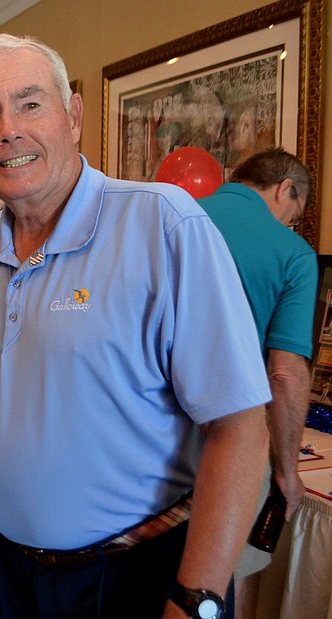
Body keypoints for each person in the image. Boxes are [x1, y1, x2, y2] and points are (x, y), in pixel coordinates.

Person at [0, 34, 271, 619]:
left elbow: (241, 430)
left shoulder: (165, 226)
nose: (9, 129)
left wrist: (196, 601)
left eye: (30, 104)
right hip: (2, 577)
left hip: (134, 576)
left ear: (73, 116)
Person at [198, 148, 317, 617]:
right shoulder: (292, 254)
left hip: (136, 434)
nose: (290, 222)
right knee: (228, 574)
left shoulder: (170, 215)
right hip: (230, 441)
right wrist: (287, 473)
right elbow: (285, 372)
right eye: (295, 212)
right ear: (286, 189)